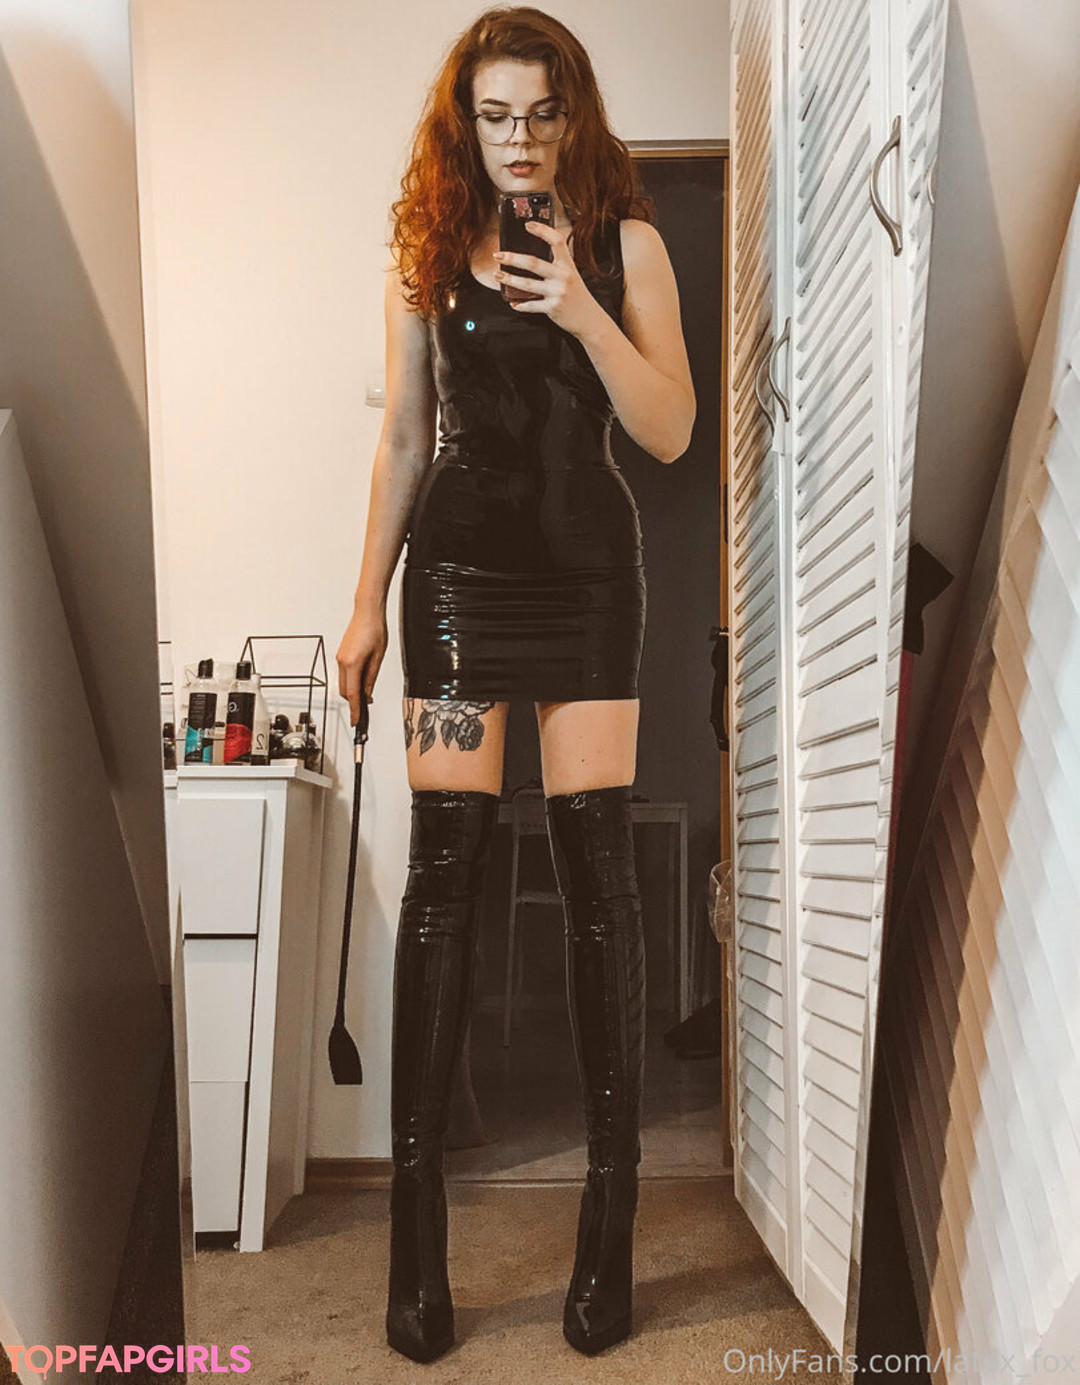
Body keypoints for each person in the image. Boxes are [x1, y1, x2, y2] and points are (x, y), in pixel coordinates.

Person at [336, 4, 694, 1363]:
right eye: (494, 116)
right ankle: (414, 1249)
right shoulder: (426, 248)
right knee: (447, 872)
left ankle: (608, 1235)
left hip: (589, 585)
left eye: (541, 113)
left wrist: (584, 312)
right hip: (454, 591)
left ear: (572, 113)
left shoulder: (628, 244)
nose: (519, 139)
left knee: (600, 876)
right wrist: (365, 605)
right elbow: (404, 436)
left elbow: (670, 429)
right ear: (465, 123)